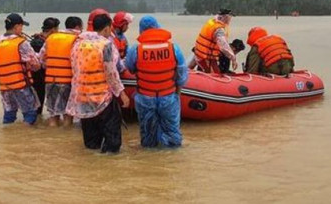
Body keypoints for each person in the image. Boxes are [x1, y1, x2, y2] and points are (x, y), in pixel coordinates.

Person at [66, 14, 131, 153]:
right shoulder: (106, 45)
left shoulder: (78, 44)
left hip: (82, 97)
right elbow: (111, 73)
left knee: (91, 143)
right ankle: (108, 169)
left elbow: (75, 68)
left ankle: (92, 169)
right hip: (103, 98)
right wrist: (122, 94)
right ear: (107, 28)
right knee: (112, 143)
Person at [125, 15, 188, 148]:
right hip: (168, 97)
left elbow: (130, 68)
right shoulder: (173, 48)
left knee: (148, 134)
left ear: (142, 30)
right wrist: (178, 91)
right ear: (157, 27)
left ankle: (149, 161)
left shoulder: (136, 50)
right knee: (172, 131)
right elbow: (181, 72)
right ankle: (172, 159)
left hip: (145, 98)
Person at [0, 13, 41, 125]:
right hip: (21, 84)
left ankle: (9, 136)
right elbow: (36, 64)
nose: (22, 29)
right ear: (16, 26)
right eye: (21, 26)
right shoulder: (21, 43)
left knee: (9, 113)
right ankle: (25, 137)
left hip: (4, 85)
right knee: (30, 113)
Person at [38, 16, 82, 127]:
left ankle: (53, 138)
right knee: (68, 116)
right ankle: (64, 140)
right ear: (78, 27)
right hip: (67, 81)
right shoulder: (77, 39)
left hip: (50, 81)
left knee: (53, 116)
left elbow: (41, 59)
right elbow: (79, 61)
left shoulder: (51, 38)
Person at [192, 8, 238, 73]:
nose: (230, 20)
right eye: (230, 17)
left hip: (204, 55)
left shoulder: (213, 22)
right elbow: (223, 46)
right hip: (205, 57)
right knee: (213, 75)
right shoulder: (219, 29)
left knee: (216, 73)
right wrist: (233, 58)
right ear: (226, 17)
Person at [30, 17, 60, 115]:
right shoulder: (49, 42)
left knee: (36, 105)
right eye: (57, 29)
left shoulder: (34, 40)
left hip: (33, 77)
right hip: (46, 77)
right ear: (53, 30)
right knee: (54, 106)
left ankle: (36, 122)